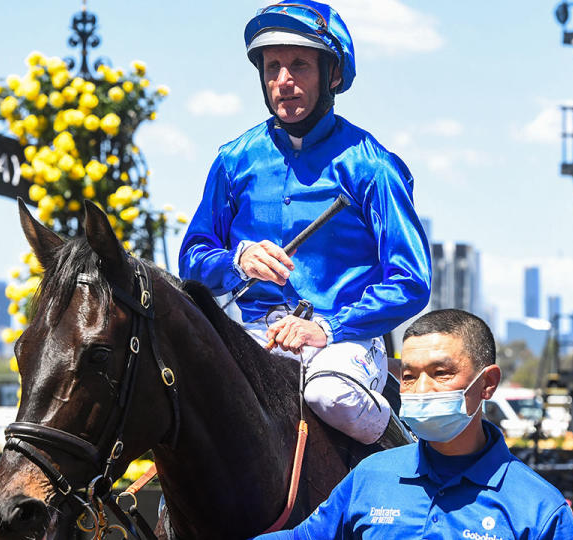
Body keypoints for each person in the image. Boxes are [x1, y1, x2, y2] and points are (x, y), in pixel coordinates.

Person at [179, 0, 431, 447]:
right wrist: (238, 261)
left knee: (329, 394)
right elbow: (192, 260)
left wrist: (328, 327)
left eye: (299, 65)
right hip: (255, 334)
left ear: (332, 75)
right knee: (186, 399)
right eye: (272, 67)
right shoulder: (233, 160)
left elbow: (411, 280)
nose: (283, 82)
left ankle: (406, 457)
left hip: (344, 341)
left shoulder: (374, 167)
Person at [253, 309, 573, 539]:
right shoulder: (370, 475)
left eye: (441, 373)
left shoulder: (537, 509)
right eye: (408, 376)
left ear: (487, 383)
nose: (421, 389)